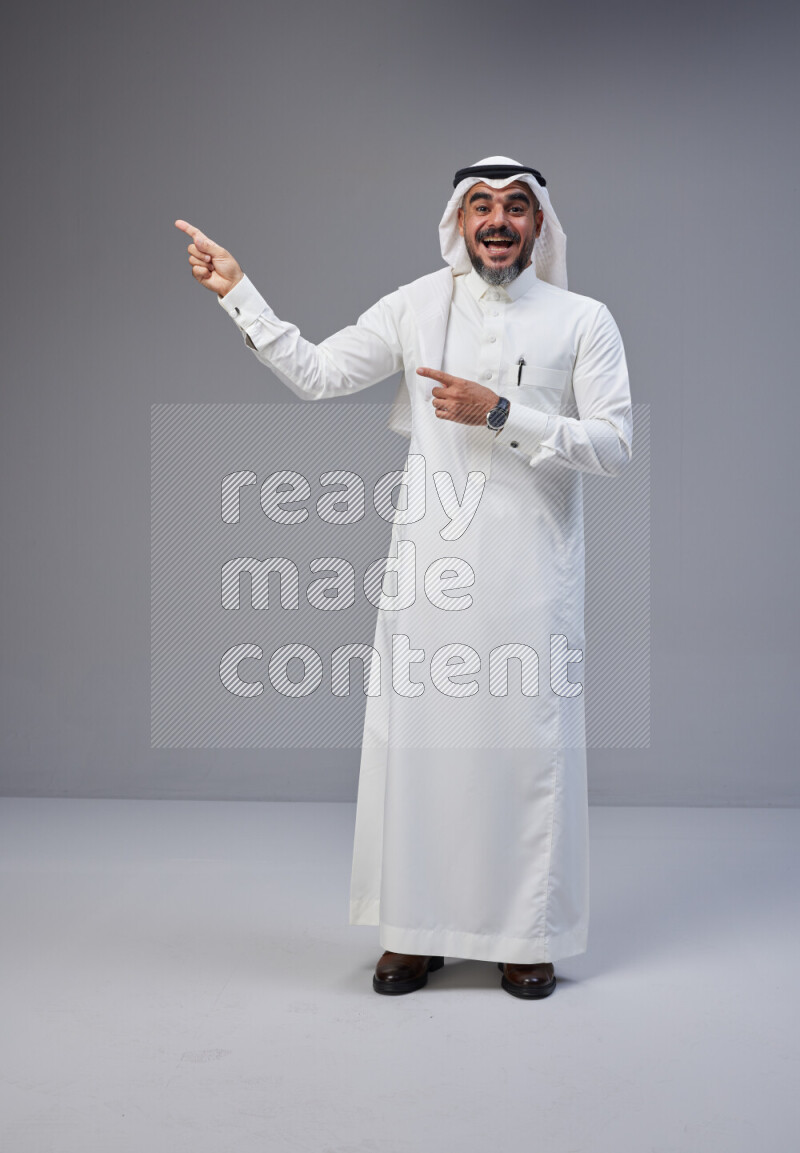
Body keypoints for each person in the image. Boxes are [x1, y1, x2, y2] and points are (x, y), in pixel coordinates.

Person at [175, 154, 632, 1000]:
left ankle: (524, 935)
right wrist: (239, 292)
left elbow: (613, 445)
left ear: (540, 225)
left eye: (517, 208)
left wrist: (502, 412)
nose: (499, 221)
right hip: (430, 573)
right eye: (482, 206)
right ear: (460, 220)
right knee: (420, 753)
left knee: (522, 751)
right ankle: (413, 934)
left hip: (531, 577)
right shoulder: (416, 306)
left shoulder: (583, 320)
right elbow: (316, 374)